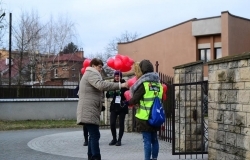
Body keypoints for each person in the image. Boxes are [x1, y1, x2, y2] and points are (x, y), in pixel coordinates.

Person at [76, 58, 127, 160]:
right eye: (99, 67)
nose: (100, 69)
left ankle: (91, 157)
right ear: (93, 66)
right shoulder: (91, 73)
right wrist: (121, 85)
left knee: (93, 135)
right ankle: (96, 157)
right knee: (95, 134)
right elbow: (101, 85)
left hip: (89, 109)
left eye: (101, 67)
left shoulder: (88, 74)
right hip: (89, 110)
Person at [126, 60, 163, 160]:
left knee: (147, 141)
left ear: (142, 70)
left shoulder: (144, 84)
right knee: (155, 140)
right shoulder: (159, 85)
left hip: (145, 118)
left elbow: (134, 99)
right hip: (156, 117)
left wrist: (126, 103)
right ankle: (154, 158)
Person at [106, 70, 128, 146]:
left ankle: (119, 140)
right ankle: (114, 139)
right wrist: (110, 93)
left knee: (121, 124)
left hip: (122, 106)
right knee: (112, 123)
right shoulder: (112, 84)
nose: (116, 77)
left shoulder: (124, 84)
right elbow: (107, 95)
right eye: (115, 76)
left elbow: (128, 95)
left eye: (118, 76)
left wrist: (121, 93)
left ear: (121, 77)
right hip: (114, 106)